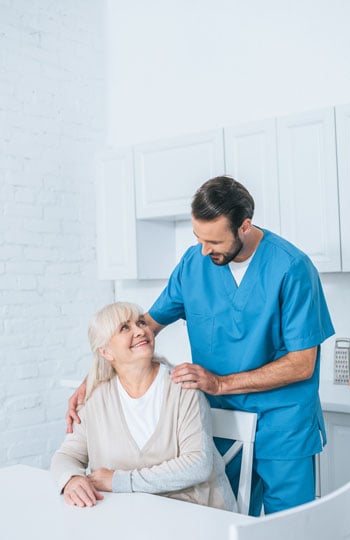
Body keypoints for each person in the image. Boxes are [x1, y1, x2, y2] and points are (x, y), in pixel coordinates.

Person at [66, 176, 335, 516]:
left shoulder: (292, 268)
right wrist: (93, 380)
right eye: (198, 238)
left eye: (213, 241)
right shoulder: (194, 264)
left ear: (245, 226)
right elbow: (143, 327)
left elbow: (302, 364)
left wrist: (220, 383)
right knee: (225, 518)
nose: (205, 250)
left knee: (292, 528)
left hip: (282, 423)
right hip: (222, 419)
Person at [52, 301, 237, 511]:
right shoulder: (95, 399)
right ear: (105, 352)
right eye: (125, 327)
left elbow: (198, 464)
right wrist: (72, 479)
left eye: (141, 322)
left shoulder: (183, 386)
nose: (140, 331)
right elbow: (66, 456)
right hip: (132, 517)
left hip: (197, 514)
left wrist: (119, 481)